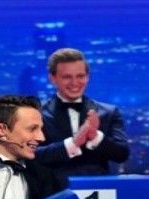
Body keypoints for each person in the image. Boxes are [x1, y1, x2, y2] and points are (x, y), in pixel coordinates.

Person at [36, 47, 130, 182]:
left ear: (87, 77)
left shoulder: (108, 113)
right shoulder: (37, 115)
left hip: (99, 190)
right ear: (52, 78)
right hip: (53, 191)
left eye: (80, 76)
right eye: (67, 77)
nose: (74, 83)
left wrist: (95, 137)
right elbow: (29, 155)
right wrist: (72, 144)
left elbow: (122, 154)